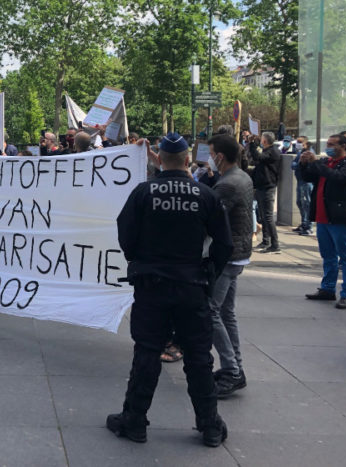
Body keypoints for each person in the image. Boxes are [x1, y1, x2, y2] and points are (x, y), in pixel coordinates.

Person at [108, 132, 232, 447]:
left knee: (147, 352)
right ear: (188, 160)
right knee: (198, 357)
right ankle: (210, 426)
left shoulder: (143, 192)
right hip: (192, 285)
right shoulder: (205, 195)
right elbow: (224, 244)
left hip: (152, 285)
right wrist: (209, 272)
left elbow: (125, 235)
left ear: (159, 159)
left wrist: (142, 261)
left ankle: (135, 420)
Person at [206, 134, 254, 398]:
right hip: (239, 253)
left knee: (210, 311)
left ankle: (232, 371)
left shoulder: (228, 185)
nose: (209, 158)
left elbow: (208, 215)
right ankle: (235, 368)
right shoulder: (241, 177)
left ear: (220, 156)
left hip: (227, 257)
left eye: (211, 153)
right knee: (226, 312)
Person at [301, 134, 346, 309]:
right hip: (322, 217)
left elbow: (338, 178)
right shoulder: (326, 163)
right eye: (328, 144)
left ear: (344, 146)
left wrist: (316, 162)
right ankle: (327, 288)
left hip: (340, 218)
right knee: (328, 256)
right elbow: (308, 177)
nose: (329, 147)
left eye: (333, 144)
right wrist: (306, 164)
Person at [251, 132, 282, 253]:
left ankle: (275, 244)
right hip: (261, 186)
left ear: (265, 141)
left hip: (268, 186)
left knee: (268, 216)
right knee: (263, 216)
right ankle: (265, 240)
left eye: (262, 139)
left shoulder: (273, 151)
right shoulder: (267, 150)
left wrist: (253, 145)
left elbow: (258, 157)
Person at [292, 137, 314, 235]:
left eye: (300, 142)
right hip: (300, 181)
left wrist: (298, 164)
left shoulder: (310, 154)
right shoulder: (300, 153)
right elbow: (293, 165)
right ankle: (303, 223)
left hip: (307, 182)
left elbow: (301, 165)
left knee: (306, 203)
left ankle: (308, 226)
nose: (298, 144)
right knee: (300, 202)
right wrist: (298, 164)